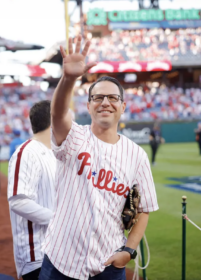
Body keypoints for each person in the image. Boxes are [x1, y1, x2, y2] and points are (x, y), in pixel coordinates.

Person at [38, 36, 159, 280]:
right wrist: (69, 79)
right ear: (90, 105)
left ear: (123, 106)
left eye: (113, 98)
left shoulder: (137, 155)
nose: (105, 102)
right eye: (98, 98)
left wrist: (128, 250)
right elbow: (58, 114)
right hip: (60, 261)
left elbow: (144, 209)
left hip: (108, 264)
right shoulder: (74, 136)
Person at [7, 100, 56, 280]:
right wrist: (61, 220)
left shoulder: (54, 153)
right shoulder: (27, 152)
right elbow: (18, 201)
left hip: (58, 252)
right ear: (54, 119)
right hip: (38, 254)